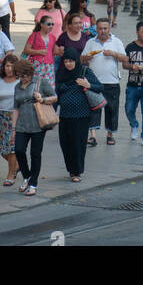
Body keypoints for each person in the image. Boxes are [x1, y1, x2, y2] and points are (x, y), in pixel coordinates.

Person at [56, 29, 103, 182]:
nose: (69, 63)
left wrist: (88, 84)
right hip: (65, 115)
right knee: (66, 144)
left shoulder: (84, 71)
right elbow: (57, 93)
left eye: (71, 61)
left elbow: (100, 87)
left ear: (76, 60)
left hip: (81, 115)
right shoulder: (61, 74)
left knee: (78, 144)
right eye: (66, 61)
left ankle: (77, 171)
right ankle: (70, 169)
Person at [12, 58, 57, 196]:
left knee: (35, 154)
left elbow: (54, 97)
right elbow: (15, 107)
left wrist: (42, 99)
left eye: (24, 75)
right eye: (19, 75)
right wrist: (13, 127)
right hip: (22, 124)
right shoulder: (17, 87)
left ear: (30, 73)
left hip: (38, 123)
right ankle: (27, 175)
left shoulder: (40, 82)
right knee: (19, 150)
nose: (22, 78)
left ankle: (33, 183)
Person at [82, 18, 127, 145]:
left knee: (112, 109)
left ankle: (110, 134)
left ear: (109, 29)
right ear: (96, 29)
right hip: (94, 82)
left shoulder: (116, 42)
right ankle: (93, 136)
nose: (102, 31)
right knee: (94, 108)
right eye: (100, 28)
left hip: (111, 82)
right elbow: (81, 59)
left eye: (105, 28)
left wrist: (113, 54)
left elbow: (125, 58)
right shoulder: (91, 42)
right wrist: (87, 57)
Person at [0, 52, 20, 185]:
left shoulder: (20, 82)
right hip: (0, 117)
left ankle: (11, 175)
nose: (9, 69)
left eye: (12, 66)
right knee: (1, 149)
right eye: (7, 66)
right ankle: (18, 165)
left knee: (12, 147)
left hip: (15, 117)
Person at [23, 14, 58, 94]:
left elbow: (55, 51)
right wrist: (38, 52)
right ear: (42, 24)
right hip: (37, 65)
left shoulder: (53, 37)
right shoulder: (34, 35)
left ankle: (47, 104)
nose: (51, 26)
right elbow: (26, 50)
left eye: (52, 24)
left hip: (49, 66)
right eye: (48, 24)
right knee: (36, 88)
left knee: (49, 89)